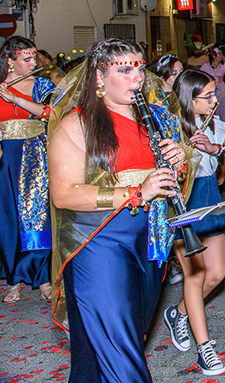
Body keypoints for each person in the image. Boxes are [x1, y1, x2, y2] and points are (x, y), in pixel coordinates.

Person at [48, 39, 188, 383]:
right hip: (97, 240)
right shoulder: (76, 125)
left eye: (139, 67)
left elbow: (169, 178)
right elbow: (63, 194)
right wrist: (136, 192)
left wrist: (180, 159)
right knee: (119, 346)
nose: (136, 77)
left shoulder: (155, 118)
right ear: (99, 77)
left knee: (116, 339)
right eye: (124, 70)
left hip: (150, 237)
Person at [162, 69, 225, 375]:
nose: (214, 100)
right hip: (182, 199)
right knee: (195, 276)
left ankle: (178, 313)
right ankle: (204, 348)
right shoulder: (170, 128)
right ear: (189, 99)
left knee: (216, 274)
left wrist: (215, 148)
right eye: (207, 96)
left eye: (214, 94)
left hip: (209, 194)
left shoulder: (215, 124)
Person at [0, 37, 57, 302]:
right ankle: (14, 278)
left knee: (37, 212)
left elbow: (51, 114)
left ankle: (43, 276)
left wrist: (16, 99)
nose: (35, 63)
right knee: (7, 216)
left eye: (34, 58)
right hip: (4, 155)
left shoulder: (42, 84)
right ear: (10, 61)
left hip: (35, 153)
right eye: (27, 59)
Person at [199, 48, 225, 132]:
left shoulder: (223, 65)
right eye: (219, 53)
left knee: (224, 111)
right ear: (213, 55)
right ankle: (213, 131)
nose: (221, 55)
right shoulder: (205, 66)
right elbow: (200, 78)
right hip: (211, 91)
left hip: (222, 90)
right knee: (213, 110)